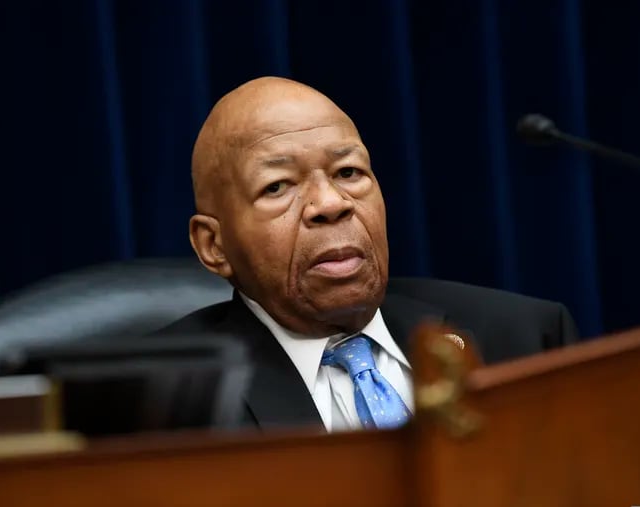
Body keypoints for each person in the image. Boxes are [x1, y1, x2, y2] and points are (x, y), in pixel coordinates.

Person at [161, 76, 578, 432]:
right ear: (213, 246)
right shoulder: (169, 402)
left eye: (348, 173)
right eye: (278, 186)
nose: (330, 203)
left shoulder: (525, 338)